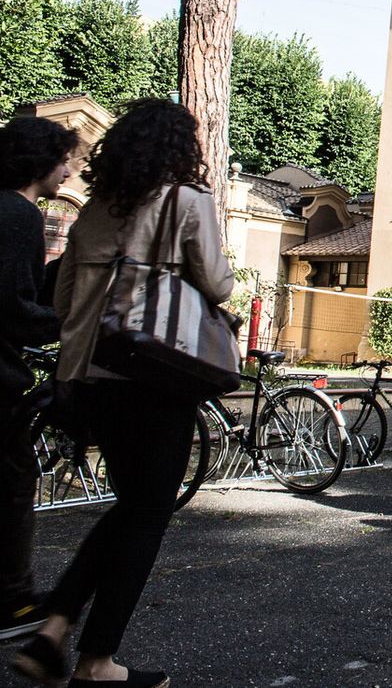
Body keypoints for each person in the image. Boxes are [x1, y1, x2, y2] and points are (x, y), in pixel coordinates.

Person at [12, 100, 233, 688]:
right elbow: (218, 281)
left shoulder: (91, 214)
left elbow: (62, 307)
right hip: (155, 375)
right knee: (147, 511)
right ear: (180, 149)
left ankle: (56, 629)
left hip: (85, 378)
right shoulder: (187, 202)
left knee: (132, 506)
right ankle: (94, 659)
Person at [1, 118, 79, 644]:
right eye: (65, 159)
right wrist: (73, 323)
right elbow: (12, 305)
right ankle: (13, 599)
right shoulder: (18, 213)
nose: (71, 170)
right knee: (13, 479)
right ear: (41, 162)